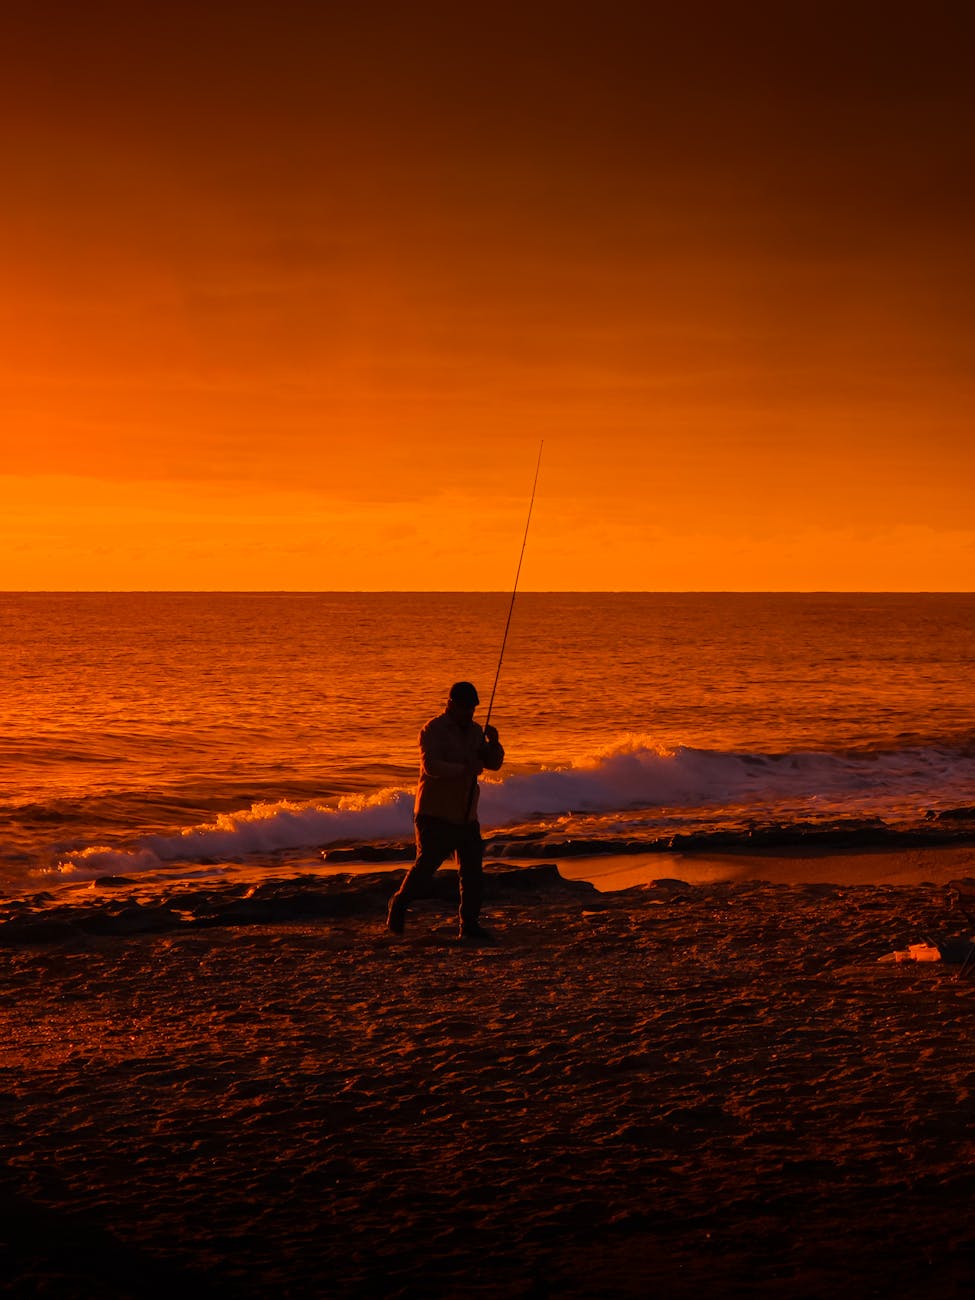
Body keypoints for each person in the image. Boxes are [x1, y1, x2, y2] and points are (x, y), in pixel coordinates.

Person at [387, 681, 504, 941]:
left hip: (466, 816)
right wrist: (465, 768)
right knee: (425, 868)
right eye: (464, 708)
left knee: (473, 874)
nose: (469, 713)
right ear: (450, 704)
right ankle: (399, 903)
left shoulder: (475, 732)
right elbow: (431, 766)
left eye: (472, 708)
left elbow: (493, 763)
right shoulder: (432, 730)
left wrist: (494, 745)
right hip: (434, 814)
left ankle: (469, 925)